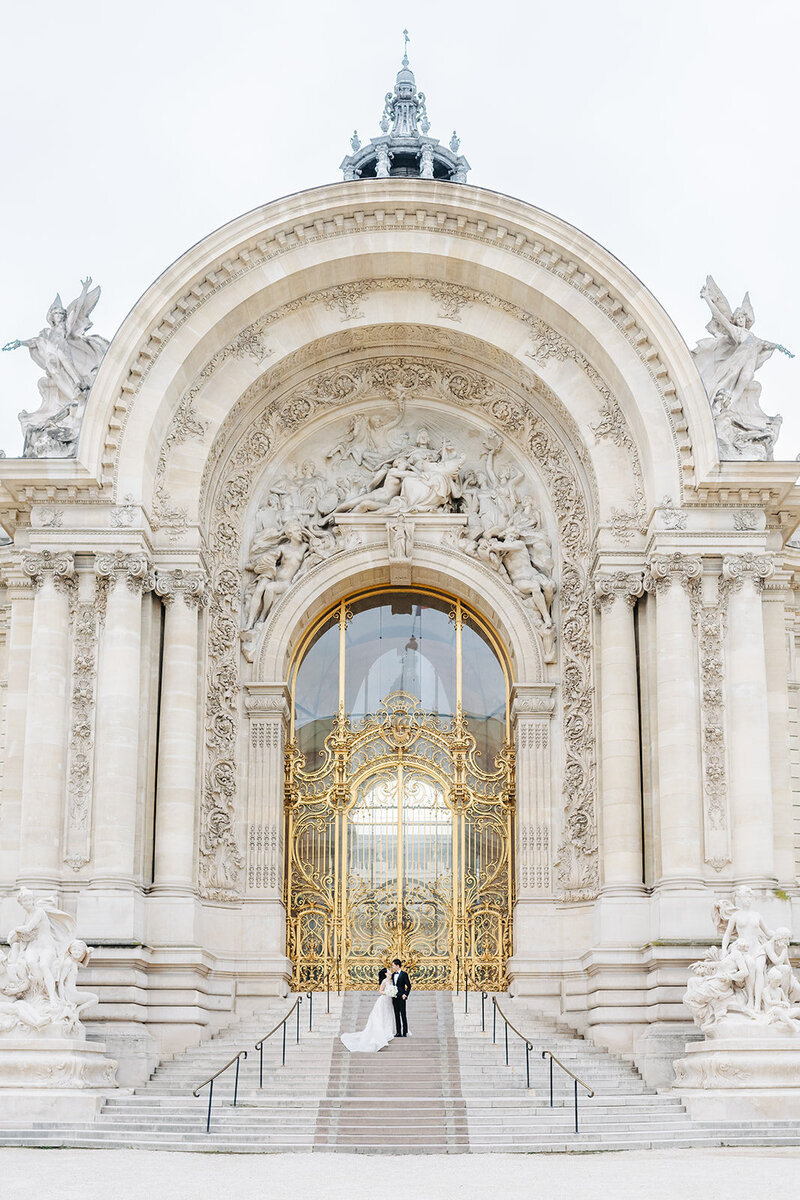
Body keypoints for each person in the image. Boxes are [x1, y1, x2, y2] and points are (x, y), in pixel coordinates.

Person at [340, 966, 395, 1053]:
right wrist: (387, 992)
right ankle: (381, 1033)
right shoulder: (384, 981)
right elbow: (380, 991)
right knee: (381, 1016)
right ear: (385, 973)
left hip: (389, 1001)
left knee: (388, 1015)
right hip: (383, 1000)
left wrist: (392, 992)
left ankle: (388, 1031)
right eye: (389, 971)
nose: (390, 972)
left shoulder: (391, 981)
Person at [391, 958, 411, 1037]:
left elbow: (409, 986)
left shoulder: (404, 974)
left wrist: (405, 994)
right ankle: (398, 1032)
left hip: (401, 997)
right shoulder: (393, 975)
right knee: (396, 1014)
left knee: (403, 1014)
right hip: (394, 997)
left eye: (393, 966)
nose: (392, 967)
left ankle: (405, 1032)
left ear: (397, 965)